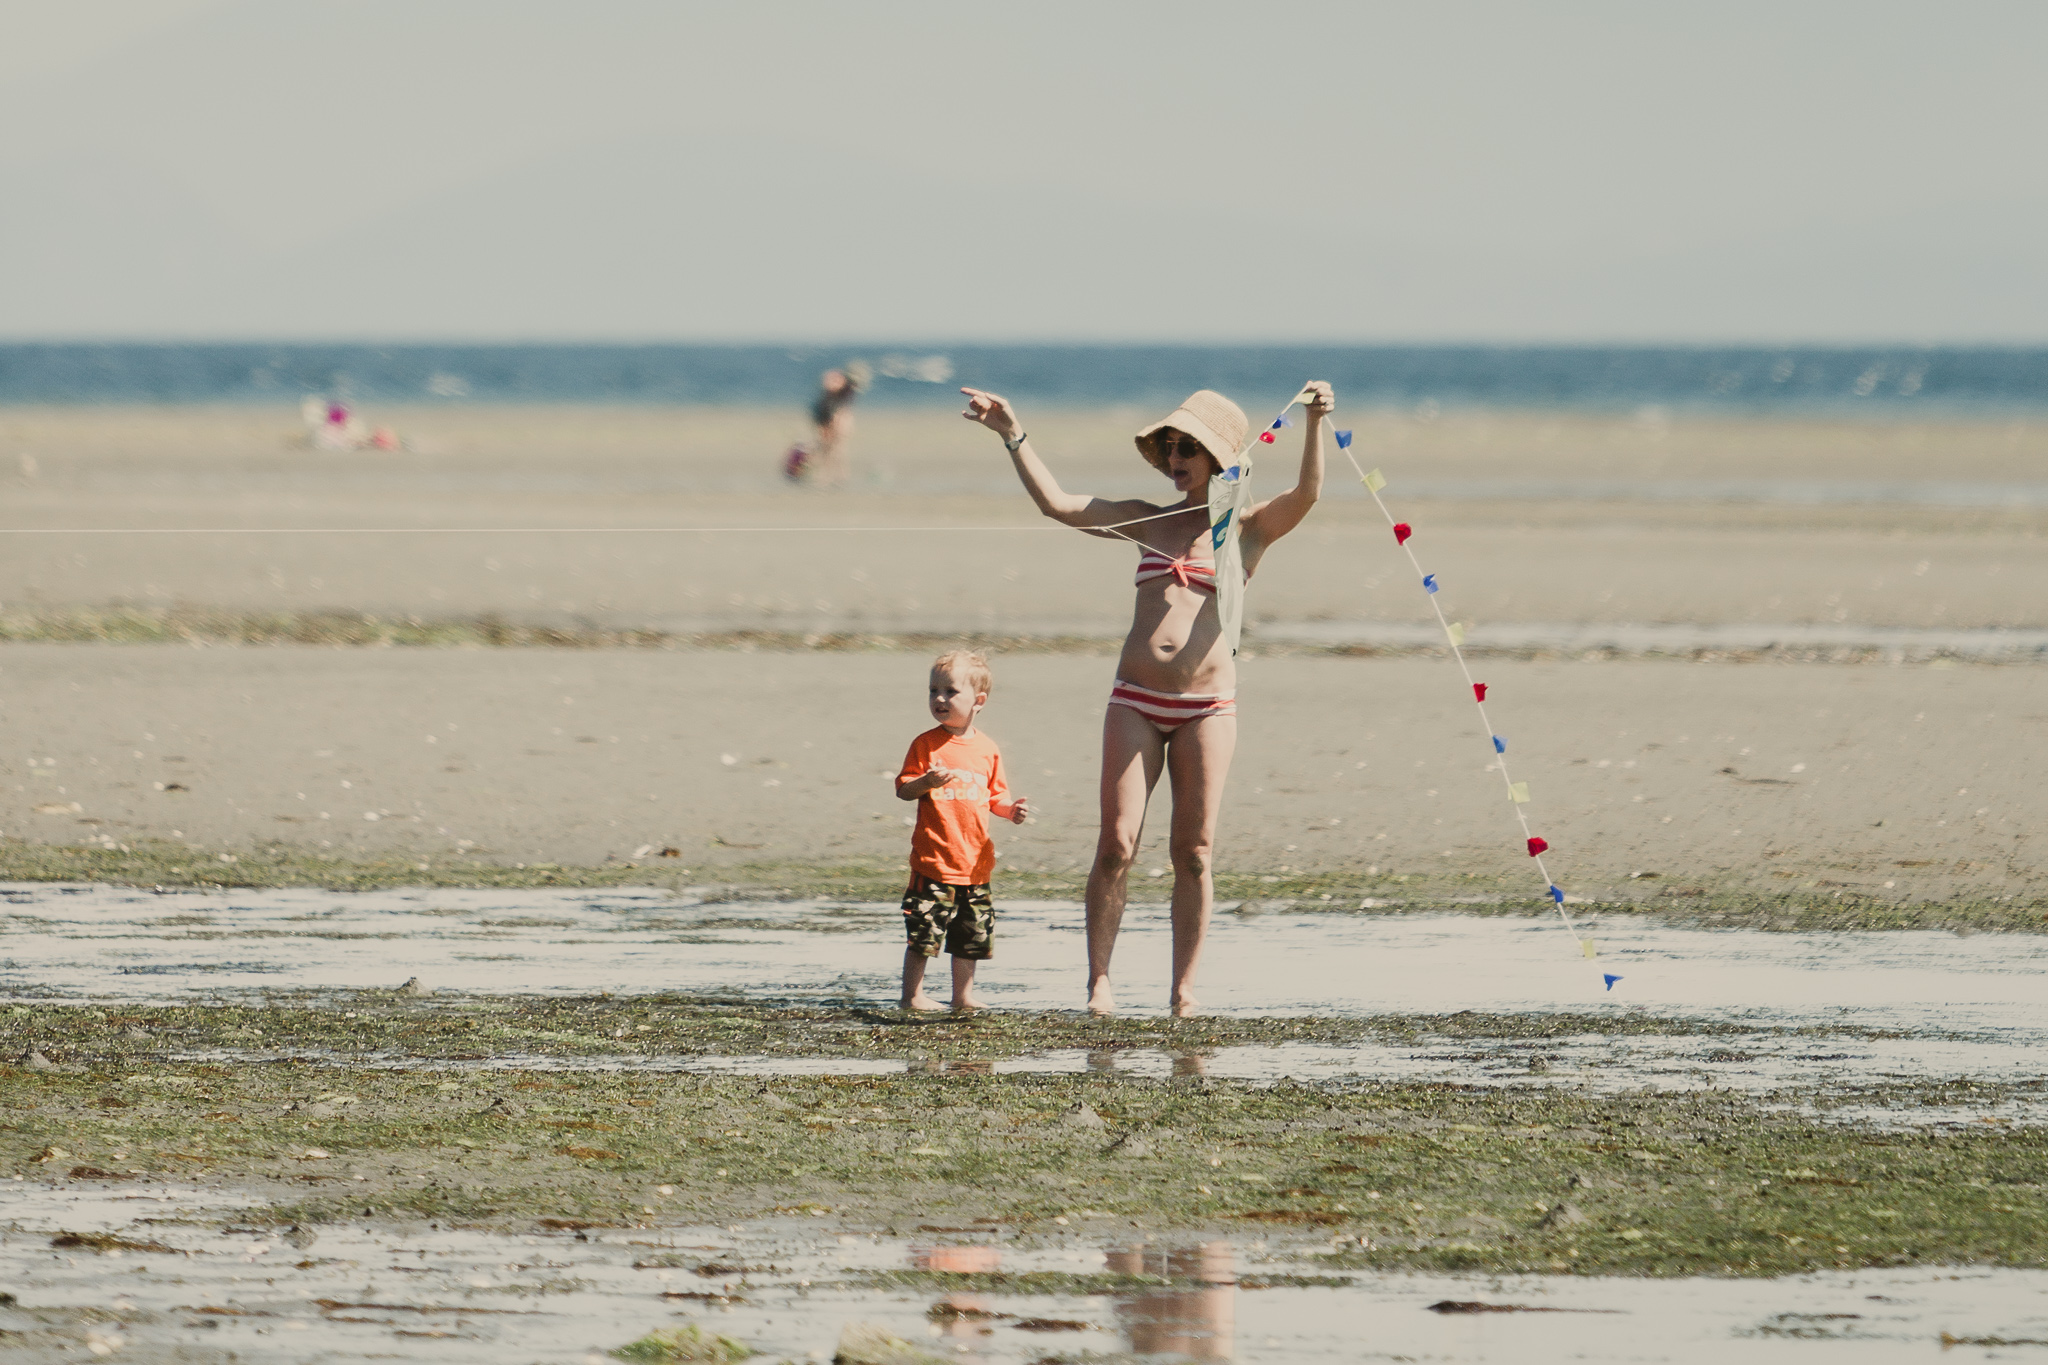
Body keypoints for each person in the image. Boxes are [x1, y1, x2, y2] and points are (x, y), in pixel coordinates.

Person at [961, 381, 1334, 1015]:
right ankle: (1099, 981)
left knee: (1193, 853)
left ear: (1219, 457)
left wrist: (1316, 426)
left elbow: (1308, 495)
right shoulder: (1148, 519)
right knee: (1116, 845)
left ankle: (1183, 989)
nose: (1177, 457)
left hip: (1207, 709)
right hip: (1134, 701)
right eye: (1170, 446)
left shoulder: (1246, 530)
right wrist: (1011, 434)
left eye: (1190, 447)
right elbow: (1059, 505)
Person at [895, 649, 1030, 1010]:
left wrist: (1011, 811)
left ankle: (963, 995)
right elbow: (905, 790)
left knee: (971, 935)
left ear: (978, 700)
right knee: (923, 933)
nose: (939, 699)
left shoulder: (987, 749)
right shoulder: (926, 744)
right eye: (933, 690)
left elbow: (995, 798)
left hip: (975, 866)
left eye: (950, 692)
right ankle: (913, 996)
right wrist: (926, 780)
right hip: (934, 861)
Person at [806, 364, 866, 485]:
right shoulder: (825, 399)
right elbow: (820, 415)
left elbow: (841, 412)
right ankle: (824, 475)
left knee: (837, 449)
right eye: (829, 380)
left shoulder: (846, 394)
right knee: (825, 448)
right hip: (825, 419)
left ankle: (840, 476)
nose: (831, 382)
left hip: (838, 420)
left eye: (835, 380)